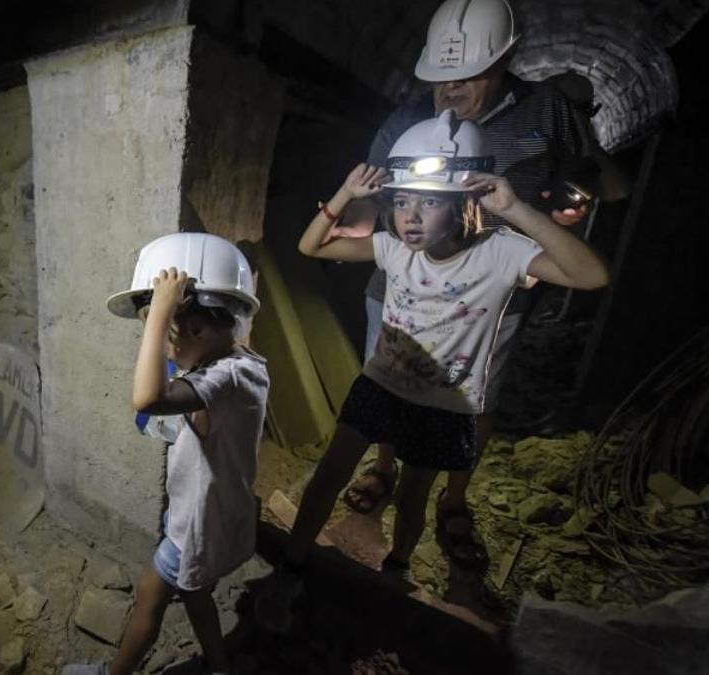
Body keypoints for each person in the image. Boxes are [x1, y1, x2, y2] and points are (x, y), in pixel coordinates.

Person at [328, 0, 616, 566]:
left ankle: (452, 497)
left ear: (507, 60)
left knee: (473, 396)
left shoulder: (548, 113)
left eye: (468, 76)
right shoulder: (403, 120)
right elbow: (376, 198)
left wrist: (562, 211)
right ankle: (384, 468)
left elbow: (583, 173)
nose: (450, 90)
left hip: (487, 294)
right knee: (388, 382)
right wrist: (355, 227)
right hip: (401, 290)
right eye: (440, 77)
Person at [288, 111, 608, 577]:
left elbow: (592, 275)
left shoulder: (502, 251)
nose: (410, 217)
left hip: (448, 405)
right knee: (328, 476)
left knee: (413, 498)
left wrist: (518, 209)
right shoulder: (393, 249)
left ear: (463, 206)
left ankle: (395, 570)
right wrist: (345, 195)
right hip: (379, 386)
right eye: (402, 203)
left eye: (429, 204)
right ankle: (293, 560)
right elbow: (311, 247)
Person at [65, 233, 270, 675]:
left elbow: (147, 397)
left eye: (162, 335)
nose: (159, 345)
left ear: (195, 330)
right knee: (196, 594)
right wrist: (167, 318)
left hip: (196, 526)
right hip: (214, 517)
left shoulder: (225, 379)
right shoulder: (239, 364)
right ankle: (219, 665)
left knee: (149, 596)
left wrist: (159, 311)